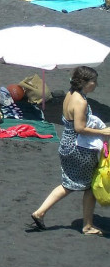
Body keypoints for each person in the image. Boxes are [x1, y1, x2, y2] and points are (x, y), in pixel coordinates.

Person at [29, 66, 110, 235]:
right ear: (85, 82)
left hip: (66, 143)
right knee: (88, 186)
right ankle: (87, 226)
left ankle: (40, 212)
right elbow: (80, 128)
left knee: (69, 183)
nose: (95, 84)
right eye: (93, 81)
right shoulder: (81, 101)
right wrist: (103, 131)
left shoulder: (70, 94)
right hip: (79, 148)